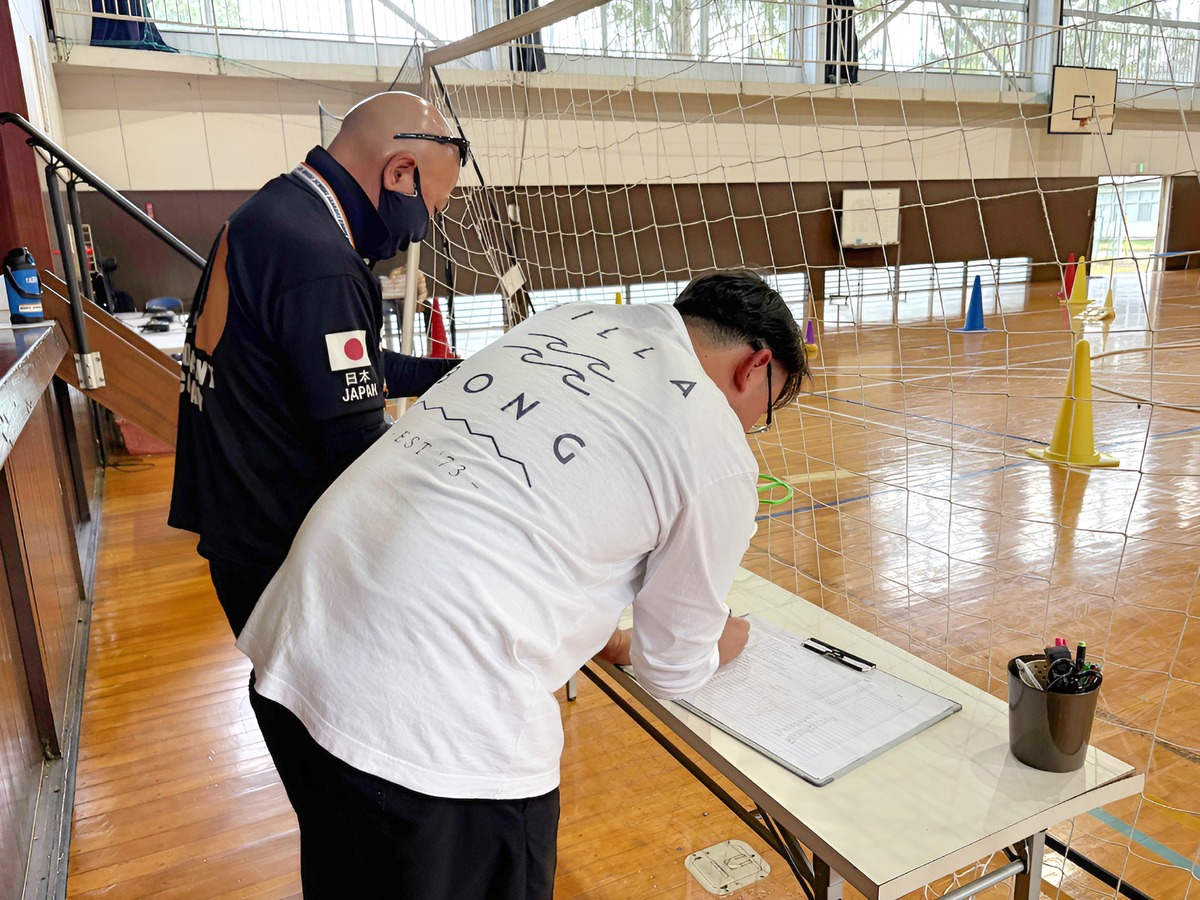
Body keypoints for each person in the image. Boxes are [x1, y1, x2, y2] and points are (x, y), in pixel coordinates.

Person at [236, 270, 808, 898]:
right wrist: (731, 638)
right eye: (770, 410)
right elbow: (671, 669)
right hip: (432, 724)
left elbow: (527, 521)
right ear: (756, 366)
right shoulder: (716, 446)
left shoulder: (571, 320)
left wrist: (606, 641)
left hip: (298, 642)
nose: (757, 424)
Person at [168, 91, 468, 636]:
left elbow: (350, 368)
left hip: (236, 518)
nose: (423, 229)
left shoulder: (275, 210)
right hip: (281, 543)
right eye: (434, 210)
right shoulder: (322, 260)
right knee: (304, 712)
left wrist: (456, 374)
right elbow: (358, 445)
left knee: (275, 687)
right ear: (402, 173)